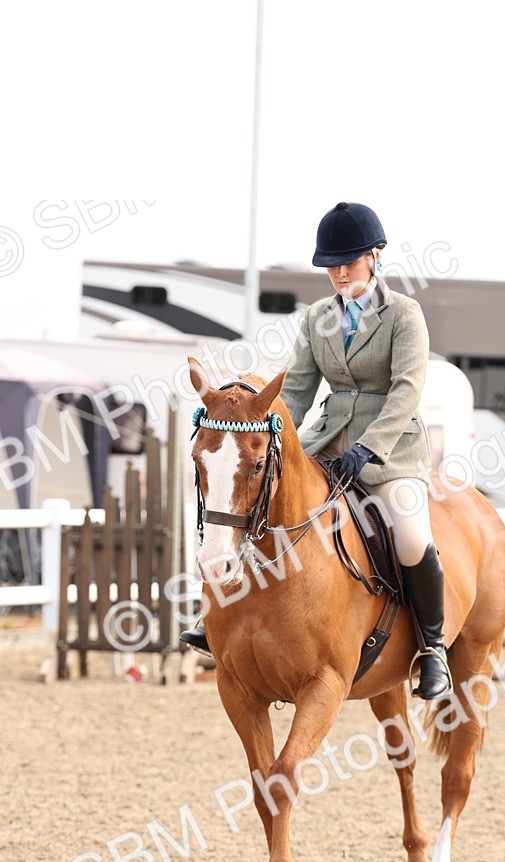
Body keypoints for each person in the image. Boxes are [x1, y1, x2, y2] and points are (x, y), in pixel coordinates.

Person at [181, 201, 451, 701]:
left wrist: (368, 448)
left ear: (375, 256)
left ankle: (432, 650)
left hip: (392, 451)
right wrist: (264, 429)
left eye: (349, 261)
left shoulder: (403, 314)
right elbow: (298, 391)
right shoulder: (317, 318)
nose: (339, 272)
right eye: (331, 264)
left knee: (412, 538)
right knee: (263, 508)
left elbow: (406, 391)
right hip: (326, 443)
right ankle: (220, 618)